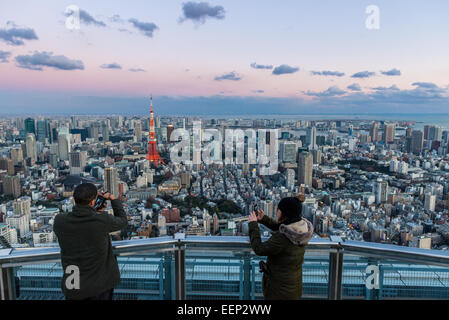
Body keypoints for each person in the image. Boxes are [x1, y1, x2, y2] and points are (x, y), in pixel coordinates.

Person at [53, 183, 128, 300]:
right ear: (93, 202)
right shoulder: (102, 220)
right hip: (98, 286)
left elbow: (80, 226)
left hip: (73, 284)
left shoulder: (59, 221)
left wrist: (94, 213)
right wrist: (113, 199)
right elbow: (123, 220)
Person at [248, 195, 313, 300]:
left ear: (284, 214)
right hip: (293, 287)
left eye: (278, 209)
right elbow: (284, 228)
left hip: (279, 291)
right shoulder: (301, 229)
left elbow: (259, 249)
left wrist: (253, 225)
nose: (276, 211)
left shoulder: (282, 239)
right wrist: (264, 219)